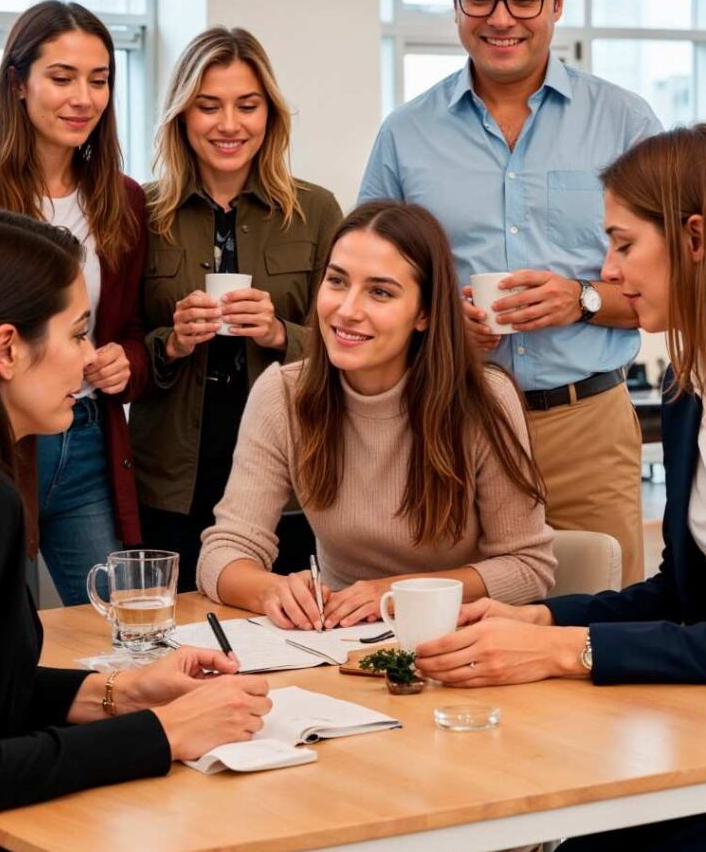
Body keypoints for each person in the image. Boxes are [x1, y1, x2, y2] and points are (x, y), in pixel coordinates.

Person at [415, 124, 706, 852]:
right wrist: (535, 617)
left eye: (623, 244)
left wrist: (569, 650)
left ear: (695, 238)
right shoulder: (688, 390)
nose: (606, 268)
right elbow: (682, 592)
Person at [0, 207, 271, 852]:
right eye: (77, 334)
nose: (89, 355)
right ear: (7, 348)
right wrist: (159, 734)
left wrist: (114, 695)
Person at [358, 0, 662, 585]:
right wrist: (431, 328)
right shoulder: (406, 136)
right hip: (450, 424)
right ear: (455, 1)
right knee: (457, 628)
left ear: (557, 0)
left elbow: (678, 285)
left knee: (604, 623)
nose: (501, 18)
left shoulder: (625, 123)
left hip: (585, 423)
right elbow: (363, 288)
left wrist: (581, 298)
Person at [196, 201, 556, 629]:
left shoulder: (483, 399)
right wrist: (270, 589)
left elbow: (528, 567)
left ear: (424, 313)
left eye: (380, 292)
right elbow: (223, 551)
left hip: (456, 637)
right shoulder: (282, 393)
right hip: (335, 643)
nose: (347, 309)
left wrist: (398, 592)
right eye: (336, 281)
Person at [0, 0, 148, 606]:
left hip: (90, 437)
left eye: (99, 80)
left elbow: (131, 329)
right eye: (62, 77)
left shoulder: (122, 199)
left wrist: (124, 360)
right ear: (18, 83)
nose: (84, 98)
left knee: (116, 627)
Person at [131, 27, 342, 588]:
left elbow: (352, 344)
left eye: (247, 106)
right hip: (173, 473)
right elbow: (115, 345)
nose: (229, 125)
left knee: (291, 625)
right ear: (181, 115)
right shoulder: (139, 211)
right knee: (170, 637)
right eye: (208, 107)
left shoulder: (316, 211)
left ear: (269, 114)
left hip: (290, 468)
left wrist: (279, 334)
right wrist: (169, 344)